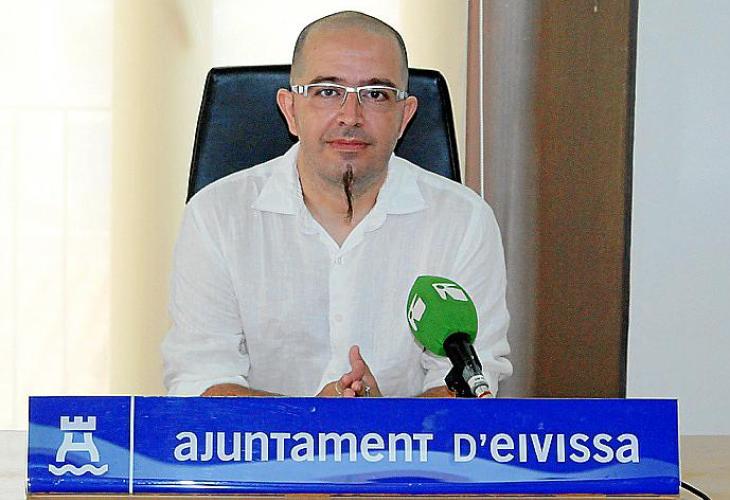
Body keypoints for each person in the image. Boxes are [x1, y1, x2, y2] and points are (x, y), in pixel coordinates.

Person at [162, 11, 512, 398]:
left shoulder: (463, 221)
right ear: (290, 110)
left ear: (405, 116)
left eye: (376, 95)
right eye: (328, 91)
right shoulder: (217, 216)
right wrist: (313, 421)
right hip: (267, 443)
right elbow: (201, 383)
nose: (350, 116)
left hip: (409, 442)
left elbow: (469, 385)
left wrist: (382, 423)